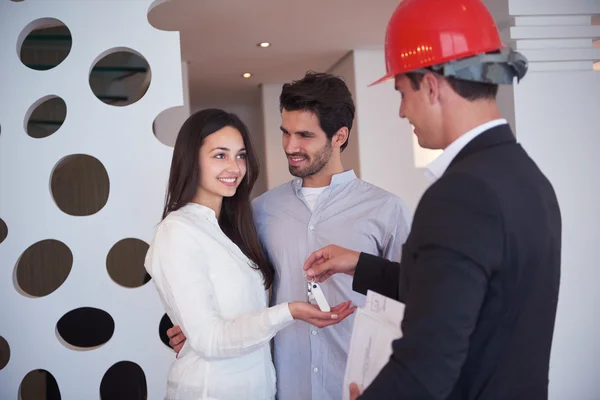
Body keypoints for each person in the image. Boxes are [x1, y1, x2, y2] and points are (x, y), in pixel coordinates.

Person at [303, 1, 562, 399]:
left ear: (430, 85)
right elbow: (455, 295)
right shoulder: (527, 178)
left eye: (401, 92)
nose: (403, 111)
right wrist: (359, 264)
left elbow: (429, 359)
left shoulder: (461, 194)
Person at [167, 73, 412, 400]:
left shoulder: (386, 210)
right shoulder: (259, 211)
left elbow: (415, 298)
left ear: (339, 136)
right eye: (285, 132)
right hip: (280, 388)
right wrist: (185, 327)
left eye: (304, 135)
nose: (290, 146)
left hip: (358, 389)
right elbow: (227, 286)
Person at [144, 108, 355, 400]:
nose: (234, 167)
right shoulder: (178, 231)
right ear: (192, 159)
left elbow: (235, 312)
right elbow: (210, 340)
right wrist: (290, 311)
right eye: (220, 155)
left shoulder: (234, 228)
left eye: (240, 155)